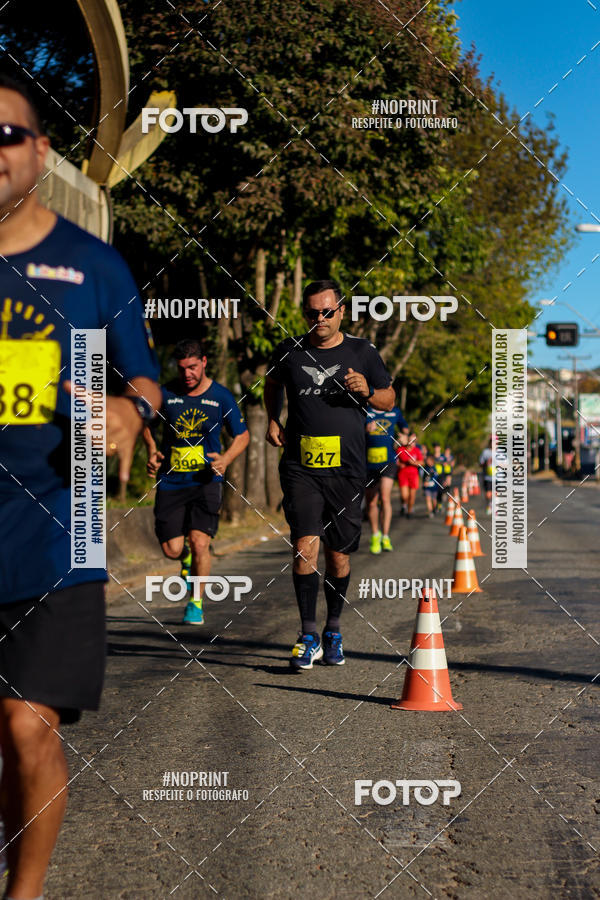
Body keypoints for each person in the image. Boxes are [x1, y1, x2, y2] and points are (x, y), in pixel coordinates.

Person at [0, 75, 161, 900]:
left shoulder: (93, 266)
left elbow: (144, 377)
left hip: (63, 525)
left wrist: (132, 412)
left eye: (5, 133)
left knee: (26, 724)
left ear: (38, 151)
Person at [264, 279, 395, 669]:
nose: (319, 319)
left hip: (348, 470)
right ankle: (307, 634)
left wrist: (368, 391)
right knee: (305, 545)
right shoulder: (290, 350)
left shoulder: (362, 351)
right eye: (311, 313)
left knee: (338, 556)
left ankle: (332, 630)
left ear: (341, 311)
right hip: (300, 467)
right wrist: (273, 418)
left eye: (326, 312)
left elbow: (389, 397)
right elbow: (272, 383)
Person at [143, 339, 249, 625]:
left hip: (206, 482)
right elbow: (146, 425)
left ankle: (196, 603)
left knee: (201, 541)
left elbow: (242, 435)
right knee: (172, 549)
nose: (187, 374)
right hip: (171, 482)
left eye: (192, 367)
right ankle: (185, 560)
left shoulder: (221, 397)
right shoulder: (165, 393)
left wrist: (225, 459)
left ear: (203, 363)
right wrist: (152, 452)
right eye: (182, 369)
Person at [364, 403, 407, 553]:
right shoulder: (365, 410)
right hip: (369, 464)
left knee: (385, 497)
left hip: (388, 462)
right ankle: (376, 534)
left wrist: (405, 438)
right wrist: (365, 430)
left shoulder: (394, 412)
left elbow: (406, 430)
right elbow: (352, 431)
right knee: (371, 502)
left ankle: (386, 536)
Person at [396, 432, 423, 518]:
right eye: (411, 440)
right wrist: (399, 464)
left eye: (414, 440)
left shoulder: (417, 450)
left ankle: (409, 511)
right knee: (404, 496)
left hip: (414, 475)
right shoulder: (401, 449)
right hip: (403, 474)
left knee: (412, 495)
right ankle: (404, 504)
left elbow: (422, 462)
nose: (412, 442)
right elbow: (397, 460)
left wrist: (415, 463)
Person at [422, 453, 441, 517]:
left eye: (429, 460)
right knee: (428, 499)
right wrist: (424, 483)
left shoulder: (435, 468)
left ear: (432, 461)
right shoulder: (425, 468)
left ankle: (434, 508)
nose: (427, 462)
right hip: (427, 488)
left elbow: (436, 478)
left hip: (434, 487)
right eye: (427, 460)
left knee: (434, 499)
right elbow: (423, 477)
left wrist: (431, 482)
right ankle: (430, 511)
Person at [479, 438, 494, 514]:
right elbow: (480, 464)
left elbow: (506, 464)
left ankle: (495, 506)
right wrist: (486, 463)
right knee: (488, 494)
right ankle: (489, 503)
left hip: (498, 478)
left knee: (496, 493)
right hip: (487, 477)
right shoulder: (485, 452)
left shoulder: (501, 452)